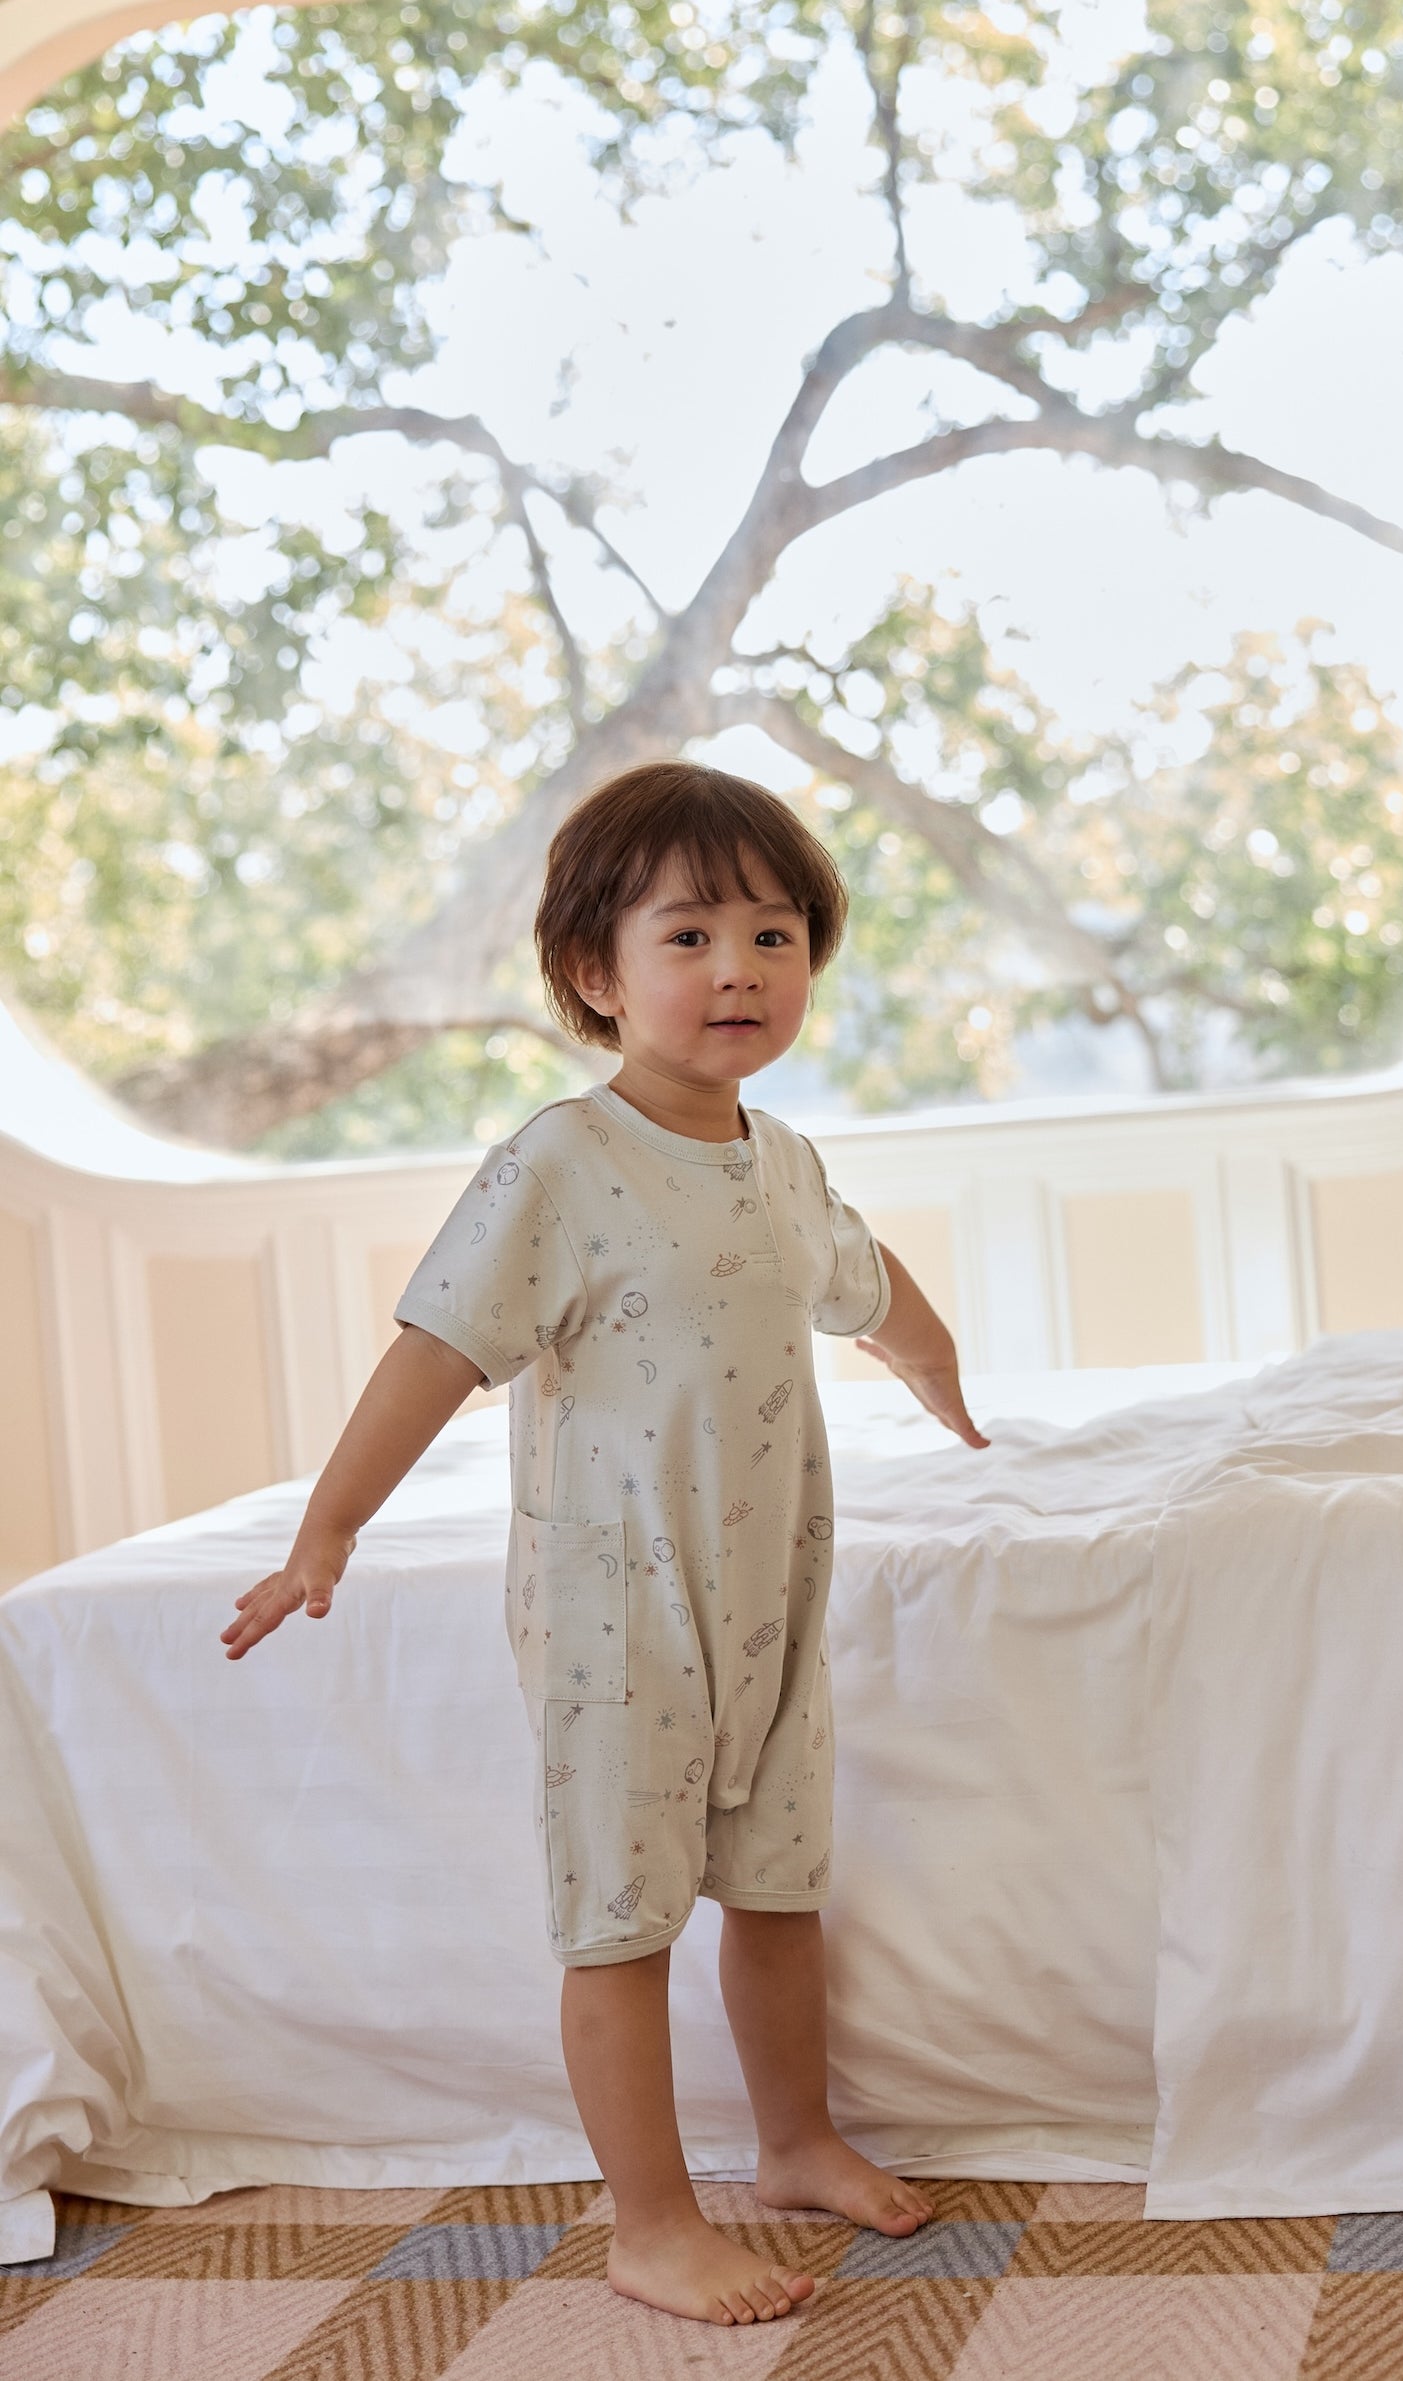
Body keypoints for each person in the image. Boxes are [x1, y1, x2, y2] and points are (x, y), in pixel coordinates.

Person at [221, 760, 990, 2327]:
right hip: (615, 1611)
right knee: (621, 1914)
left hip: (769, 1593)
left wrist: (939, 1373)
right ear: (596, 973)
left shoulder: (783, 1161)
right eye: (689, 935)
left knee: (778, 1888)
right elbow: (435, 1348)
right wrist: (326, 1528)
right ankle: (650, 2223)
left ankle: (793, 2141)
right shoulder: (562, 1162)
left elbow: (866, 1281)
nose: (738, 969)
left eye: (772, 937)